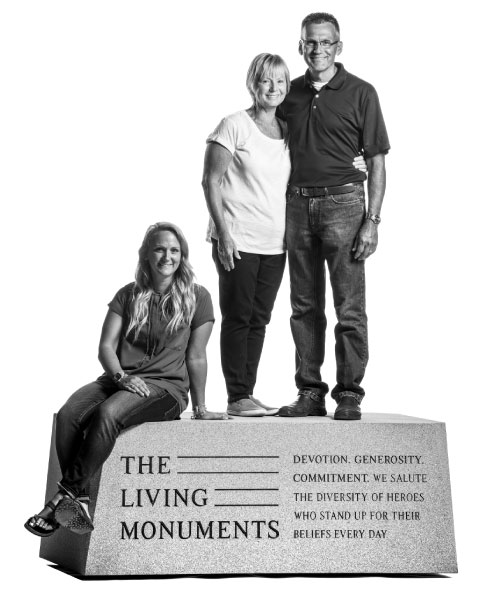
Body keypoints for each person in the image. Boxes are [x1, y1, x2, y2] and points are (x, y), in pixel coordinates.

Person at [25, 222, 229, 538]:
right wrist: (120, 377)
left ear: (183, 256)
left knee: (107, 415)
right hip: (119, 379)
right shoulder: (127, 294)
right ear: (146, 254)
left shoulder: (198, 297)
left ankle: (57, 503)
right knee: (68, 415)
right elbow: (106, 346)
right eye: (160, 248)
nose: (167, 256)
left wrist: (200, 407)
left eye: (174, 250)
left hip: (165, 389)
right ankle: (77, 499)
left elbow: (197, 356)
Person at [202, 53, 367, 417]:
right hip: (238, 239)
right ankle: (236, 395)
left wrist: (357, 161)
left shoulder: (287, 127)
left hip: (277, 242)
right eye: (266, 81)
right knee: (238, 317)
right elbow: (210, 180)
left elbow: (319, 149)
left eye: (280, 82)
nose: (274, 88)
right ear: (253, 84)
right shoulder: (234, 125)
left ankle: (246, 393)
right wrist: (223, 234)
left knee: (259, 320)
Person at [277, 12, 390, 421]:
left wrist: (372, 221)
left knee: (349, 307)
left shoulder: (362, 92)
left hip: (345, 205)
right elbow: (265, 148)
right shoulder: (287, 94)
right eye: (311, 42)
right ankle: (310, 392)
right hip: (296, 206)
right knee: (303, 306)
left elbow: (376, 161)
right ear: (301, 46)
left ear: (338, 46)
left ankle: (349, 393)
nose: (318, 49)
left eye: (326, 42)